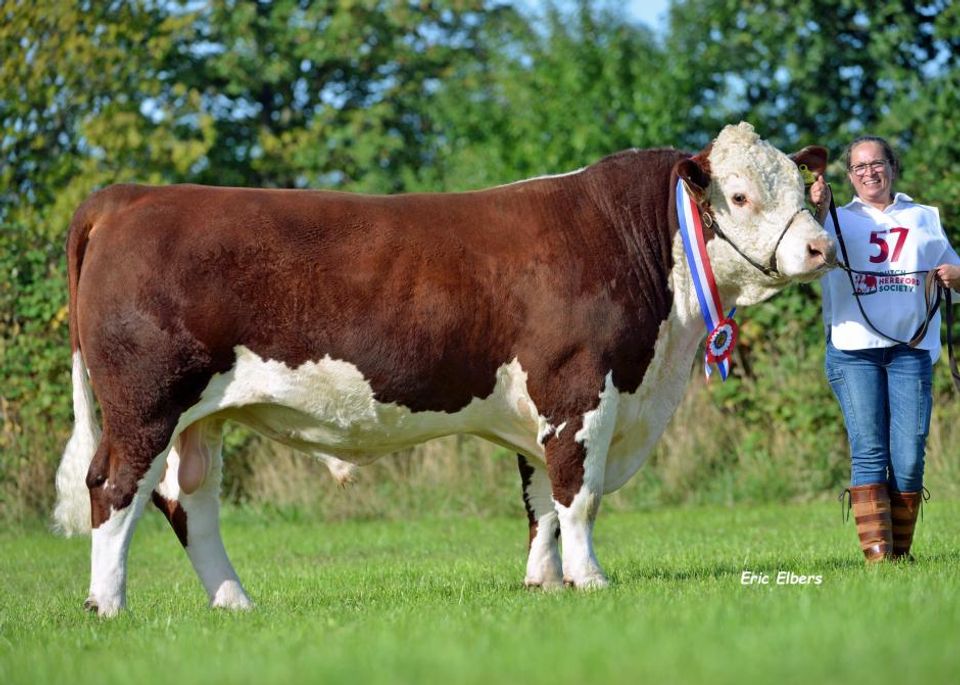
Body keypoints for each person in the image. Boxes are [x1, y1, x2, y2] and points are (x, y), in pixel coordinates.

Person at [810, 135, 960, 563]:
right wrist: (816, 208)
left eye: (876, 164)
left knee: (910, 456)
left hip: (910, 350)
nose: (869, 172)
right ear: (850, 176)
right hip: (854, 349)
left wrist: (955, 275)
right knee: (869, 449)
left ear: (892, 167)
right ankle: (879, 558)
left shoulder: (923, 217)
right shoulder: (833, 219)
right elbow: (801, 260)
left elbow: (955, 275)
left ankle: (901, 553)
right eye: (858, 167)